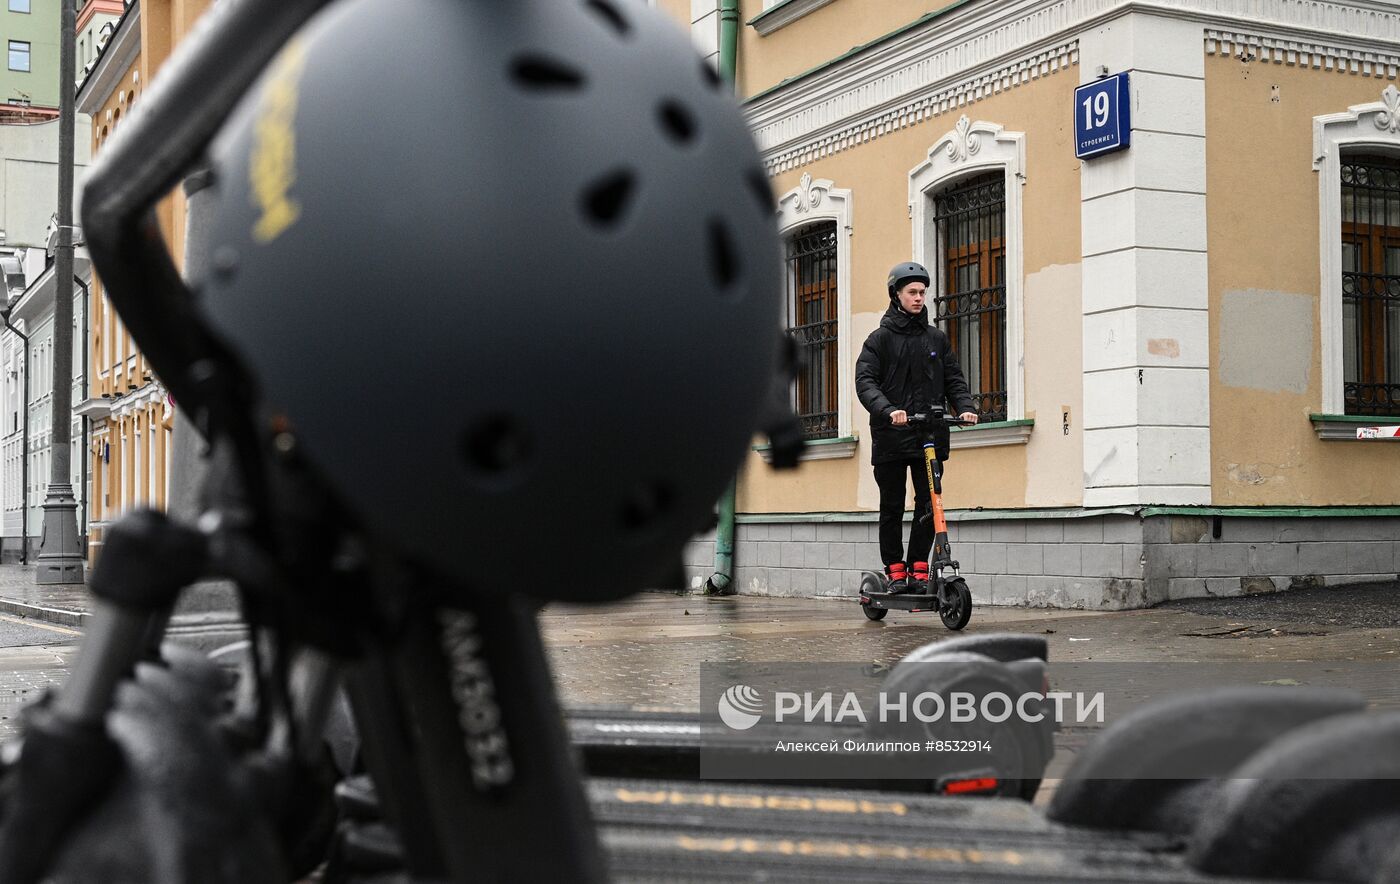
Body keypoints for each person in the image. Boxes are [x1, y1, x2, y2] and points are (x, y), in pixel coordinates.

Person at [855, 262, 978, 594]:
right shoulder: (878, 340)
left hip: (928, 435)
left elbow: (954, 379)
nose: (919, 298)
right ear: (896, 294)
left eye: (923, 292)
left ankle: (920, 569)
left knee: (929, 503)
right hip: (892, 436)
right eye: (912, 292)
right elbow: (865, 382)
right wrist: (888, 410)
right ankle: (895, 570)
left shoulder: (935, 338)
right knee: (892, 506)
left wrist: (965, 408)